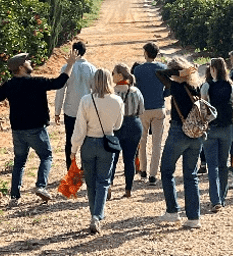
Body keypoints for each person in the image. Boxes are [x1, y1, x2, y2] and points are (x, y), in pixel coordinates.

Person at [0, 49, 77, 206]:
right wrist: (70, 65)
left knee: (19, 162)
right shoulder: (36, 82)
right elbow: (58, 83)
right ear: (21, 67)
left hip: (17, 131)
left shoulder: (9, 85)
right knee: (46, 156)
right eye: (27, 61)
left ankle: (14, 197)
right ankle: (41, 186)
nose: (30, 62)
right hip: (36, 129)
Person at [71, 68, 124, 235]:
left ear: (94, 81)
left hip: (88, 143)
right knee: (103, 181)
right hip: (107, 143)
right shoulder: (117, 100)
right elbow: (118, 125)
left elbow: (80, 127)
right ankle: (97, 216)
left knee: (91, 181)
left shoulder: (86, 100)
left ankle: (93, 213)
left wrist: (73, 148)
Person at [155, 57, 204, 229]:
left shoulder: (176, 87)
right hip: (196, 134)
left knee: (167, 170)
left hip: (178, 131)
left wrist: (177, 72)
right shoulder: (196, 88)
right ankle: (194, 218)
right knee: (191, 175)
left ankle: (173, 211)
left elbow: (159, 73)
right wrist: (185, 71)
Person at [199, 57, 233, 212]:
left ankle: (215, 199)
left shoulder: (206, 86)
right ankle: (222, 198)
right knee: (223, 164)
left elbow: (202, 112)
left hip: (210, 129)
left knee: (212, 166)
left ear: (212, 69)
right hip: (227, 129)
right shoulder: (232, 86)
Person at [54, 41, 97, 169]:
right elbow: (95, 91)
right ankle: (85, 167)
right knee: (86, 140)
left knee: (70, 140)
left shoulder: (66, 68)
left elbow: (60, 91)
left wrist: (57, 111)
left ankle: (70, 168)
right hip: (87, 110)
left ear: (73, 51)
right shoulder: (92, 68)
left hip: (70, 110)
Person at [131, 42, 167, 185]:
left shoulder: (138, 70)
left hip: (143, 109)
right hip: (159, 107)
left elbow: (134, 88)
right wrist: (163, 95)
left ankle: (143, 170)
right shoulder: (163, 68)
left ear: (146, 53)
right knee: (157, 143)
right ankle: (153, 174)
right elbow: (170, 86)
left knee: (143, 141)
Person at [110, 63, 145, 198]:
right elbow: (141, 110)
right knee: (129, 159)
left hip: (116, 126)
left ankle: (109, 185)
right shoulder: (136, 91)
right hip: (134, 124)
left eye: (113, 73)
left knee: (112, 157)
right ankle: (128, 189)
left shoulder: (112, 92)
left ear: (119, 75)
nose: (112, 75)